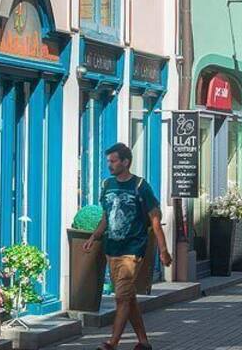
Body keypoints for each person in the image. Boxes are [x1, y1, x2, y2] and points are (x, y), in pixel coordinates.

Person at [83, 144, 172, 350]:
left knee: (121, 297)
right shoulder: (107, 185)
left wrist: (163, 250)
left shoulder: (140, 186)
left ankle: (112, 342)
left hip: (133, 250)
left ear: (125, 162)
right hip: (111, 249)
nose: (110, 165)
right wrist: (94, 236)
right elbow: (106, 217)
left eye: (113, 161)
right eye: (108, 161)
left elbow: (155, 220)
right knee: (128, 298)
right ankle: (143, 341)